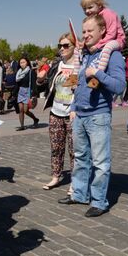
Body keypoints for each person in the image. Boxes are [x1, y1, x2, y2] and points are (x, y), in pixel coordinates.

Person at [58, 15, 126, 217]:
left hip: (99, 116)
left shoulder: (111, 55)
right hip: (80, 115)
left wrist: (98, 74)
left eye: (90, 31)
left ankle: (99, 201)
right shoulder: (85, 54)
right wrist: (73, 107)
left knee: (100, 162)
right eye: (84, 31)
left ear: (102, 31)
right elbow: (79, 85)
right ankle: (79, 194)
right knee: (80, 158)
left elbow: (120, 86)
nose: (86, 35)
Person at [42, 33, 78, 192]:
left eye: (66, 45)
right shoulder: (57, 64)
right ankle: (56, 176)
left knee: (74, 150)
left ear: (74, 47)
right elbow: (48, 86)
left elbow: (78, 89)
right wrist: (39, 80)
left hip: (72, 113)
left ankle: (75, 182)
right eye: (60, 46)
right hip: (55, 112)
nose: (62, 49)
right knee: (56, 147)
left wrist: (76, 108)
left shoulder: (79, 65)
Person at [68, 0, 125, 89]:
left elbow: (111, 34)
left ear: (99, 4)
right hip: (104, 41)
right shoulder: (95, 16)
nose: (87, 11)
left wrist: (98, 46)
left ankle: (96, 77)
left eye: (90, 7)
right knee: (77, 50)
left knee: (107, 48)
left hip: (117, 40)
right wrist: (83, 44)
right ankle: (74, 78)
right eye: (84, 9)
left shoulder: (108, 14)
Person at [15, 57, 39, 130]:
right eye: (21, 62)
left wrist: (33, 94)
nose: (22, 64)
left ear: (27, 63)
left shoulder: (30, 71)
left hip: (28, 91)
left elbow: (33, 83)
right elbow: (17, 82)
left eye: (24, 62)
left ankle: (35, 119)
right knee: (21, 110)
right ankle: (22, 126)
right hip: (20, 91)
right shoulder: (18, 72)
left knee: (25, 110)